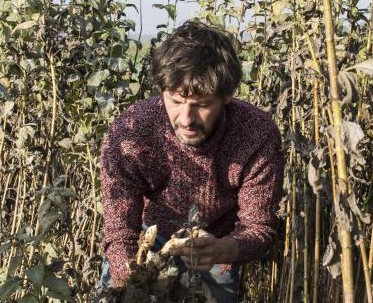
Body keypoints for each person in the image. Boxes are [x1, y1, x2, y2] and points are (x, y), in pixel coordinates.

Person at [96, 20, 284, 302]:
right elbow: (120, 232)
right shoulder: (131, 132)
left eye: (202, 105)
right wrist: (132, 285)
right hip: (147, 241)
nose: (186, 119)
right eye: (175, 101)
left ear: (227, 96)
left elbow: (259, 228)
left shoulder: (256, 134)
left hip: (217, 247)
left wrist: (222, 249)